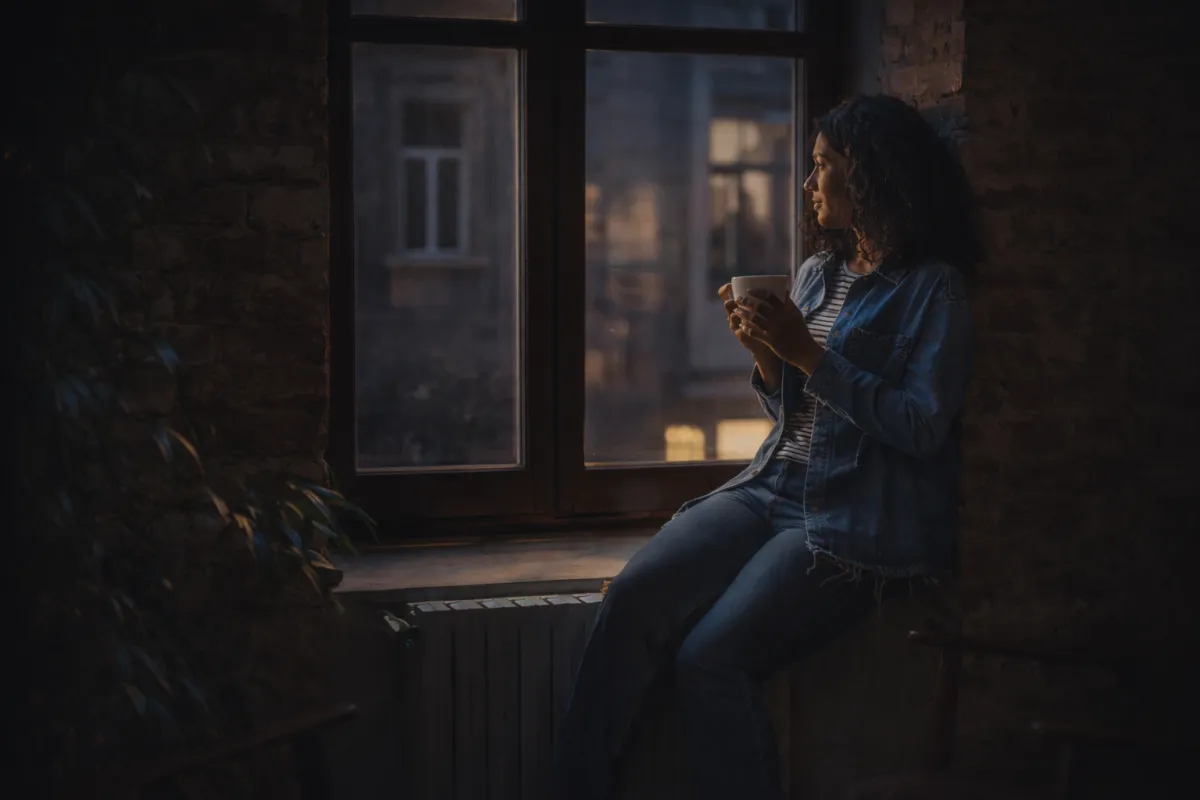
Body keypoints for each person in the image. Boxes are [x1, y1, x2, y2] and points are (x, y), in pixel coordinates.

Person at [553, 94, 983, 800]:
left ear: (871, 176)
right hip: (771, 484)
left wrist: (808, 356)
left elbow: (921, 428)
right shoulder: (818, 274)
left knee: (708, 659)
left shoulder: (934, 293)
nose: (810, 185)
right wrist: (767, 359)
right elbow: (794, 411)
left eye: (822, 167)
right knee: (630, 598)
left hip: (847, 514)